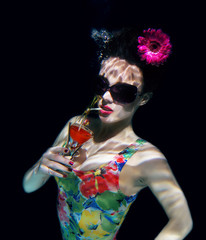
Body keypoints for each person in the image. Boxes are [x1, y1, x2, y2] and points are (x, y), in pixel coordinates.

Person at [23, 27, 193, 240]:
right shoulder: (76, 126)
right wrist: (41, 167)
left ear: (143, 99)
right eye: (102, 84)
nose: (106, 96)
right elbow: (28, 187)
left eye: (123, 92)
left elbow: (182, 221)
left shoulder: (145, 157)